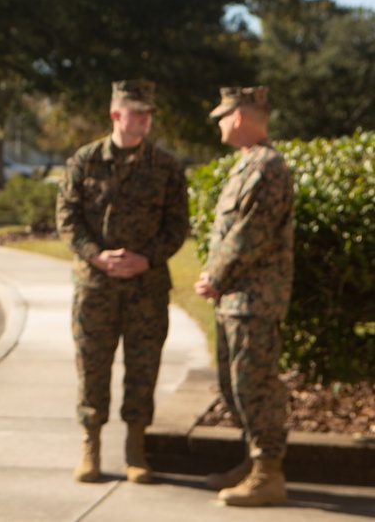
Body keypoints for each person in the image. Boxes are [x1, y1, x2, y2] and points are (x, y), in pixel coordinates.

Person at [56, 80, 189, 484]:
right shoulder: (85, 160)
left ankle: (135, 449)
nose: (145, 119)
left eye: (149, 112)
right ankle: (90, 445)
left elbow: (178, 224)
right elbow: (67, 216)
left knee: (143, 367)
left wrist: (145, 259)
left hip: (146, 288)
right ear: (116, 114)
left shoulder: (166, 166)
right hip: (95, 286)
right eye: (138, 111)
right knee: (92, 365)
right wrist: (95, 254)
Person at [194, 86, 294, 507]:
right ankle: (254, 462)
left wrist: (214, 275)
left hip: (255, 299)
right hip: (236, 298)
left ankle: (268, 473)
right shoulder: (246, 164)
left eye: (222, 116)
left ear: (238, 117)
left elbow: (249, 234)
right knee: (234, 384)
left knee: (255, 384)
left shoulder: (267, 166)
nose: (218, 124)